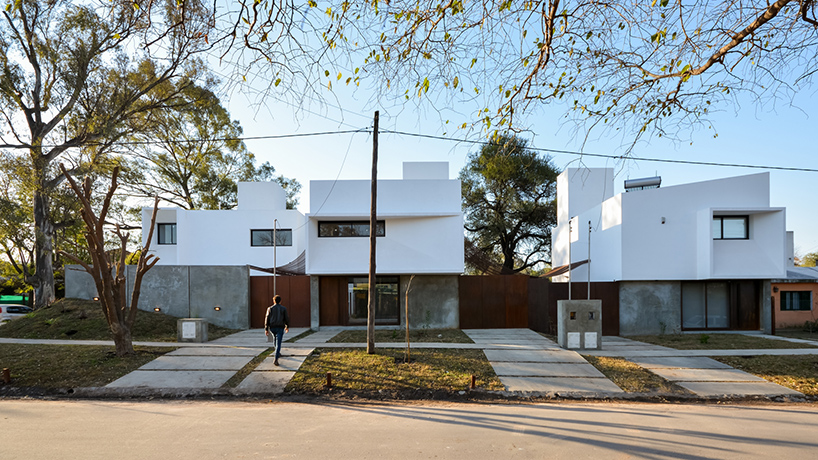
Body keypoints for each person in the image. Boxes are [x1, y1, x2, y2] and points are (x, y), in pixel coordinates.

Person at [264, 295, 290, 366]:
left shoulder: (270, 308)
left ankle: (277, 353)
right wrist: (287, 326)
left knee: (275, 340)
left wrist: (266, 329)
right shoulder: (283, 308)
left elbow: (267, 318)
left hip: (272, 327)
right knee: (278, 342)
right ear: (281, 301)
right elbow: (286, 318)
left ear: (274, 301)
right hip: (280, 327)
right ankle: (276, 358)